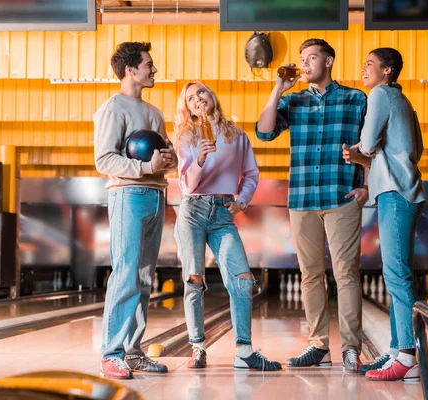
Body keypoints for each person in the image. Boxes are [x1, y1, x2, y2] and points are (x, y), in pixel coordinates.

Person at [256, 38, 368, 372]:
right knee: (310, 275)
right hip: (302, 199)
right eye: (302, 58)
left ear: (329, 61)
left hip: (342, 197)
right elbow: (263, 132)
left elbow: (375, 144)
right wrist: (279, 87)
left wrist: (367, 186)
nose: (304, 64)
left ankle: (351, 348)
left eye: (311, 58)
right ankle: (318, 345)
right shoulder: (293, 101)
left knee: (346, 273)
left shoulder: (355, 99)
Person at [173, 81, 281, 371]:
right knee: (194, 281)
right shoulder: (184, 136)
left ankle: (244, 352)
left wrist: (242, 201)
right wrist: (200, 159)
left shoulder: (236, 135)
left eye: (201, 92)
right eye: (190, 98)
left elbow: (251, 174)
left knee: (243, 280)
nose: (198, 99)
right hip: (192, 210)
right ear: (187, 108)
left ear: (211, 96)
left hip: (223, 212)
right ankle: (197, 347)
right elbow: (186, 184)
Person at [94, 41, 177, 379]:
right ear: (131, 70)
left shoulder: (154, 113)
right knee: (126, 273)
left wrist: (167, 161)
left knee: (144, 277)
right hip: (128, 194)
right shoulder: (113, 108)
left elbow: (161, 160)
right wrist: (145, 167)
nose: (153, 70)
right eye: (148, 65)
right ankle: (111, 354)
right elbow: (104, 159)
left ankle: (133, 351)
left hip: (156, 194)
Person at [342, 47, 426, 381]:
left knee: (396, 276)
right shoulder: (404, 102)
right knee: (395, 275)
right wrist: (364, 156)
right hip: (405, 191)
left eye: (370, 64)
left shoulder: (379, 94)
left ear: (387, 70)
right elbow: (408, 150)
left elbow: (367, 141)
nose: (364, 69)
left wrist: (360, 150)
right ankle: (396, 349)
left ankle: (407, 356)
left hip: (395, 193)